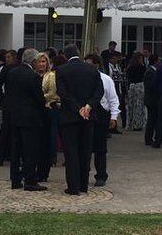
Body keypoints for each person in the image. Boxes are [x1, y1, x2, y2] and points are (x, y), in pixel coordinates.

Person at [55, 45, 103, 195]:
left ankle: (73, 186)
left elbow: (63, 94)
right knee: (85, 151)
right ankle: (83, 184)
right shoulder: (92, 69)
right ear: (78, 54)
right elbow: (99, 91)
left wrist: (77, 108)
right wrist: (88, 106)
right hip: (88, 117)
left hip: (69, 117)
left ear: (65, 56)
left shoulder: (61, 71)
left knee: (71, 152)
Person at [4, 48, 47, 191]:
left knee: (16, 149)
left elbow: (8, 94)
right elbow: (39, 98)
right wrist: (44, 109)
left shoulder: (12, 73)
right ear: (34, 61)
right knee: (30, 150)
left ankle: (15, 179)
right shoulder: (33, 76)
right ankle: (30, 180)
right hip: (30, 118)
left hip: (15, 116)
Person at [87, 53, 119, 186]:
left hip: (101, 115)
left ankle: (101, 175)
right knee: (86, 147)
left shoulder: (106, 79)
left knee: (100, 148)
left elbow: (113, 99)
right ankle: (84, 173)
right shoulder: (83, 79)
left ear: (96, 65)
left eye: (89, 64)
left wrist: (114, 116)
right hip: (88, 114)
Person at [36, 51, 59, 183]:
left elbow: (52, 93)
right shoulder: (32, 75)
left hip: (48, 110)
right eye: (39, 61)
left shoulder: (51, 76)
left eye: (43, 61)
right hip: (35, 112)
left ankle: (44, 171)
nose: (41, 64)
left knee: (48, 140)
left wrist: (37, 98)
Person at [0, 49, 16, 165]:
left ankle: (8, 156)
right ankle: (1, 157)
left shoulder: (12, 69)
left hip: (12, 102)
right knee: (5, 130)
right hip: (9, 102)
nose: (6, 59)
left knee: (10, 131)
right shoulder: (6, 69)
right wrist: (2, 98)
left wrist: (3, 98)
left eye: (8, 57)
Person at [124, 52, 146, 131]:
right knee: (138, 106)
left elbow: (128, 77)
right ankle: (137, 124)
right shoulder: (141, 66)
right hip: (139, 86)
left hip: (132, 86)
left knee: (131, 106)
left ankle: (130, 123)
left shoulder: (130, 66)